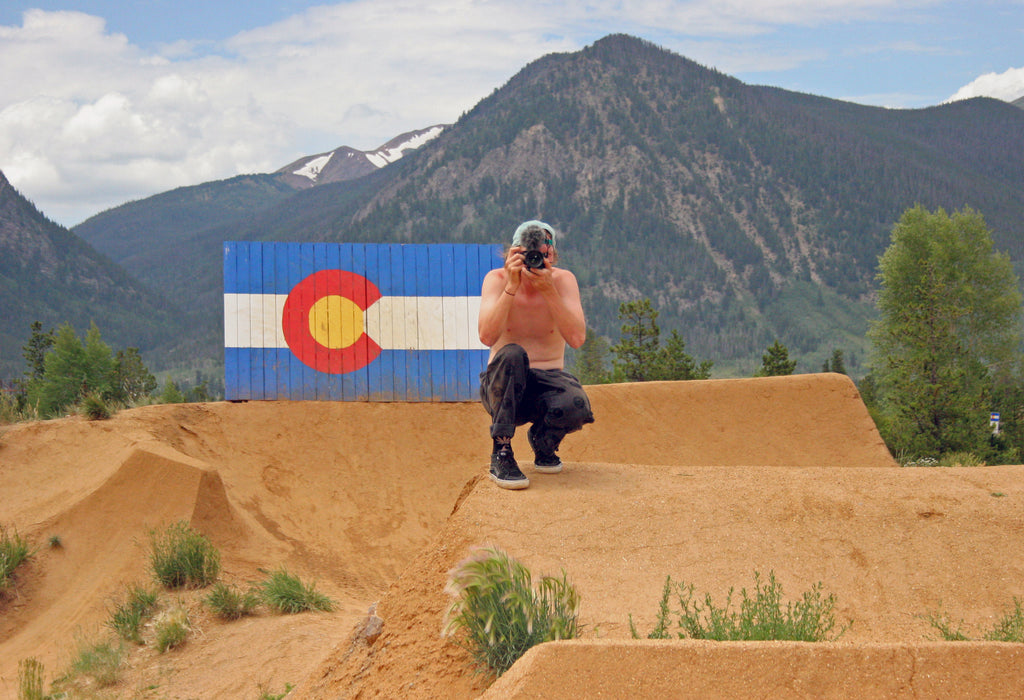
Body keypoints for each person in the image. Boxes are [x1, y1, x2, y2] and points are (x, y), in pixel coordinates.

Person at [477, 220, 595, 490]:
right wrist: (511, 286)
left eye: (542, 254)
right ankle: (502, 451)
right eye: (527, 254)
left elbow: (577, 339)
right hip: (503, 385)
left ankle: (544, 440)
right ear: (512, 253)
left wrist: (548, 290)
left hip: (549, 380)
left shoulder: (563, 281)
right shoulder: (496, 280)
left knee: (576, 403)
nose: (535, 260)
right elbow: (487, 337)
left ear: (551, 255)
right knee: (513, 354)